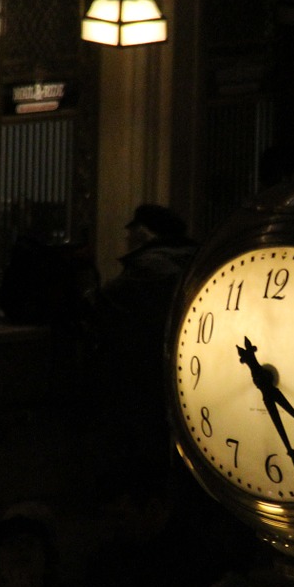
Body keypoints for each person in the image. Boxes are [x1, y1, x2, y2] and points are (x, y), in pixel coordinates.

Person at [90, 204, 198, 491]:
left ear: (142, 233)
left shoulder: (149, 268)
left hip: (142, 376)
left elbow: (102, 303)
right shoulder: (191, 260)